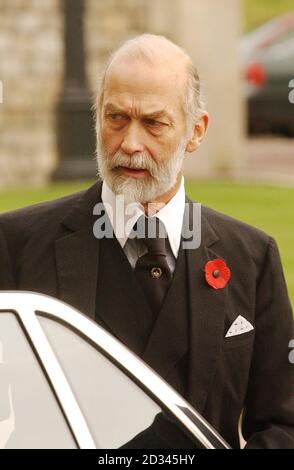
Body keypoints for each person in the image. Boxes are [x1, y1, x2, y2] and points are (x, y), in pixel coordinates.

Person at [0, 34, 293, 449]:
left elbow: (284, 425)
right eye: (115, 118)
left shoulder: (252, 258)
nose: (130, 143)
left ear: (196, 131)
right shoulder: (15, 245)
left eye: (153, 123)